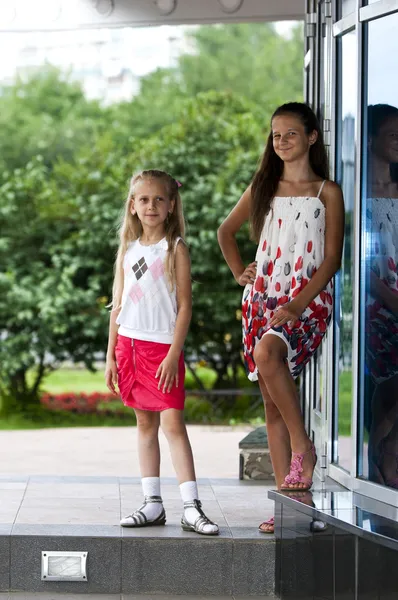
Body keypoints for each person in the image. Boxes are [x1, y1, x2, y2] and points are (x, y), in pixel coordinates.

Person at [218, 102, 344, 533]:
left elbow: (331, 260)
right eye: (275, 135)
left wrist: (298, 303)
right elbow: (225, 231)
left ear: (311, 137)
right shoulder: (264, 185)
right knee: (271, 407)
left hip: (305, 300)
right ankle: (290, 506)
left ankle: (304, 448)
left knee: (267, 353)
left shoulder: (326, 191)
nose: (281, 141)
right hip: (261, 298)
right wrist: (240, 273)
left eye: (291, 133)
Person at [105, 169, 218, 535]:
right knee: (144, 424)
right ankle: (152, 503)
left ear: (171, 205)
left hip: (162, 351)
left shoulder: (175, 248)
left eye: (158, 199)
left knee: (172, 424)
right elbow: (118, 305)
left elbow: (184, 306)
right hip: (129, 348)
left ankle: (191, 507)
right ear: (133, 206)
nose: (150, 205)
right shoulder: (128, 250)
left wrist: (174, 353)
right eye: (143, 199)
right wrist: (110, 355)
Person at [365, 104, 398, 489]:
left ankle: (387, 454)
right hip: (376, 301)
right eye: (393, 135)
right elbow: (355, 257)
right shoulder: (355, 193)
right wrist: (387, 296)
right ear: (371, 139)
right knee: (387, 383)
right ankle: (376, 461)